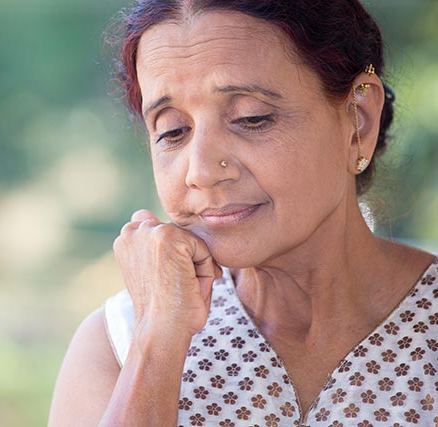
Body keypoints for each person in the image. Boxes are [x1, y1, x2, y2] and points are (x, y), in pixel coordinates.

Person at [49, 1, 438, 425]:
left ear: (358, 121)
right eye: (173, 130)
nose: (200, 172)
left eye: (250, 118)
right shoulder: (117, 343)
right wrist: (157, 342)